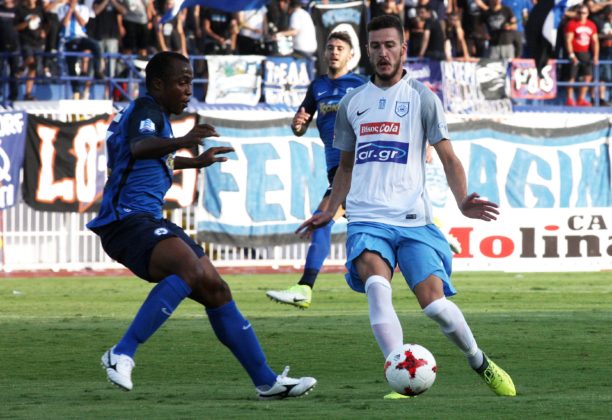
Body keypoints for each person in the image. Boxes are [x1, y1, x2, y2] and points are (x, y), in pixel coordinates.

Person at [296, 14, 516, 400]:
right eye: (376, 46)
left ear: (403, 49)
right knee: (377, 286)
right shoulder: (352, 103)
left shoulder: (422, 98)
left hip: (413, 219)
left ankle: (479, 360)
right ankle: (400, 372)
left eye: (390, 45)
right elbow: (345, 166)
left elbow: (448, 157)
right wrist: (331, 209)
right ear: (368, 51)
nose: (383, 53)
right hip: (366, 217)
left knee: (435, 306)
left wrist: (462, 200)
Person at [87, 51, 317, 399]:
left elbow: (151, 156)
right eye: (182, 82)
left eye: (191, 82)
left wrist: (194, 162)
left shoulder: (152, 115)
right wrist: (184, 140)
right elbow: (139, 147)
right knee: (190, 268)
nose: (188, 90)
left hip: (146, 219)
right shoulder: (147, 109)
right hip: (126, 220)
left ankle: (267, 382)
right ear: (158, 84)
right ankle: (121, 352)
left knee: (215, 288)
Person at [266, 31, 365, 309]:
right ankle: (435, 230)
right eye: (330, 47)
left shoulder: (361, 84)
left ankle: (305, 287)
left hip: (357, 166)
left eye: (340, 48)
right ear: (324, 53)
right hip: (336, 169)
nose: (334, 52)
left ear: (350, 55)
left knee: (322, 219)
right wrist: (297, 125)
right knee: (373, 218)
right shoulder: (317, 86)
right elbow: (300, 124)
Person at [564, 4, 599, 106]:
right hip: (574, 52)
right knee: (571, 76)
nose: (581, 15)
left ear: (587, 14)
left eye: (584, 13)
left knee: (588, 76)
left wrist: (596, 56)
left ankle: (581, 99)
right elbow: (568, 40)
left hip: (585, 53)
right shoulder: (572, 24)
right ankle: (570, 99)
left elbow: (595, 41)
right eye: (579, 13)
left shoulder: (591, 25)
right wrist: (571, 55)